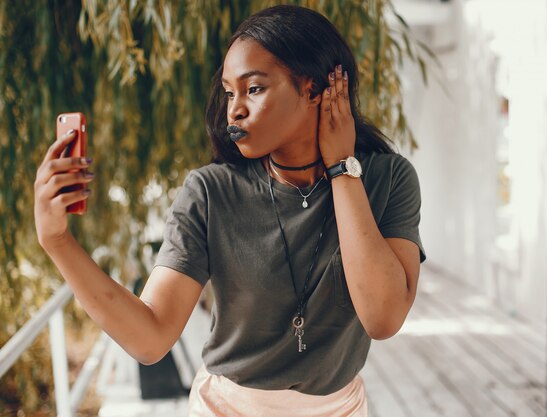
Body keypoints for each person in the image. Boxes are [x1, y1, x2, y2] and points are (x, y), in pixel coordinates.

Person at [34, 5, 426, 416]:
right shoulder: (209, 192)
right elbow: (149, 339)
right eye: (228, 92)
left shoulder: (387, 179)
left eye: (253, 89)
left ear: (314, 89)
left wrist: (342, 168)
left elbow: (383, 319)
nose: (234, 110)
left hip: (339, 409)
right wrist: (58, 242)